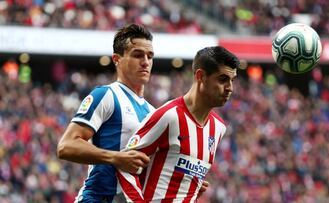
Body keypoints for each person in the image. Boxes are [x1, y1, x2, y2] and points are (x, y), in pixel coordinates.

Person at [117, 46, 240, 202]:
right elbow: (124, 165)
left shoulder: (219, 127)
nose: (230, 88)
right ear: (201, 76)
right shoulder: (169, 116)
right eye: (223, 79)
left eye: (232, 80)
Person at [57, 23, 155, 203]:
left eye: (150, 56)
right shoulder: (106, 95)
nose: (146, 62)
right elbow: (66, 146)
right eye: (137, 55)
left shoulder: (153, 112)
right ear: (117, 59)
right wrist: (116, 158)